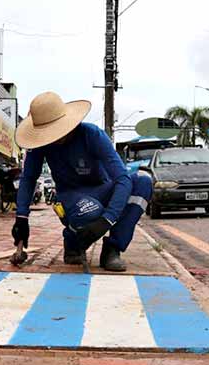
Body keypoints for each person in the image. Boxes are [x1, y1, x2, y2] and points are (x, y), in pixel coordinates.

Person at [11, 92, 153, 271]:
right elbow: (29, 178)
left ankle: (113, 248)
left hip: (102, 189)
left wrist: (107, 220)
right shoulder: (40, 145)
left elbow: (122, 178)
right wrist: (21, 218)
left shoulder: (92, 135)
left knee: (143, 181)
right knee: (90, 211)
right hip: (70, 196)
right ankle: (72, 241)